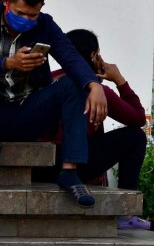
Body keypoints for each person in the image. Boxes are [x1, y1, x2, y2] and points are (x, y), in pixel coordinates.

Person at [0, 0, 108, 208]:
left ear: (41, 9)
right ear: (6, 1)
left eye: (32, 15)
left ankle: (69, 171)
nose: (26, 20)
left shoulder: (45, 24)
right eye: (20, 13)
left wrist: (93, 84)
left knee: (72, 84)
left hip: (23, 112)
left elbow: (70, 56)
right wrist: (7, 63)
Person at [50, 29, 147, 229]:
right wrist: (119, 79)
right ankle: (125, 214)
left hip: (42, 166)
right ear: (94, 55)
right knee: (136, 137)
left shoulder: (51, 80)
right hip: (71, 165)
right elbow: (138, 118)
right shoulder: (96, 89)